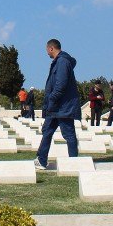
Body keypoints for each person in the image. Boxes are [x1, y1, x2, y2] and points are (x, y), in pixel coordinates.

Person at [35, 38, 82, 171]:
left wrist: (52, 99)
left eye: (47, 50)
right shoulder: (59, 62)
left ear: (51, 48)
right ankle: (41, 159)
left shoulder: (62, 61)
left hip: (62, 106)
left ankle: (74, 162)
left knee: (68, 134)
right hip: (56, 107)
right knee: (47, 131)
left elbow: (60, 85)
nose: (47, 53)